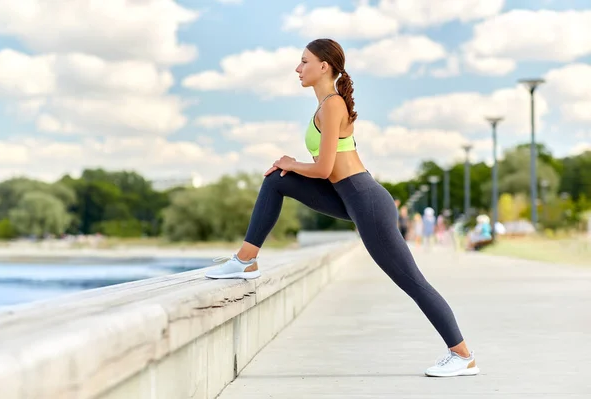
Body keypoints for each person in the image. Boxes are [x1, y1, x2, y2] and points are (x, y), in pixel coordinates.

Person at [204, 38, 479, 377]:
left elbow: (322, 168)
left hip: (367, 202)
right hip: (347, 195)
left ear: (324, 66)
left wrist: (292, 161)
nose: (297, 68)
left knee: (412, 282)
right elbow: (324, 171)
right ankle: (245, 260)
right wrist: (288, 167)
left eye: (304, 61)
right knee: (276, 179)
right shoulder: (324, 106)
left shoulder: (333, 105)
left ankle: (462, 355)